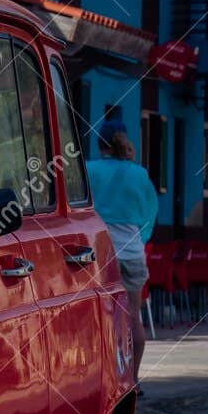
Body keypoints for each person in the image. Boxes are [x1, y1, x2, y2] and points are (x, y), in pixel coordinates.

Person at [86, 119, 158, 387]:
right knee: (133, 317)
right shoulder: (139, 174)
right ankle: (133, 379)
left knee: (101, 319)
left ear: (99, 144)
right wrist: (141, 239)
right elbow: (151, 212)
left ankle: (104, 380)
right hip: (132, 254)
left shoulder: (88, 170)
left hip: (99, 257)